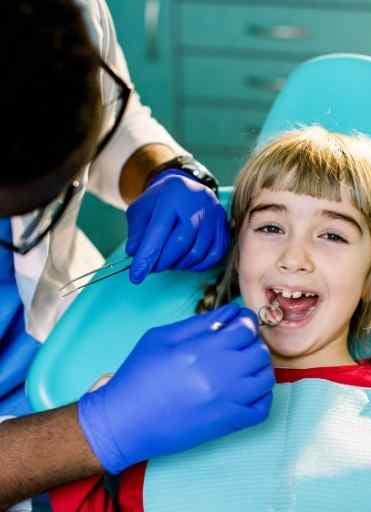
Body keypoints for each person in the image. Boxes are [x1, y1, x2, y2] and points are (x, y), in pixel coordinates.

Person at [50, 127, 371, 511]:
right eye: (271, 227)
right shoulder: (166, 391)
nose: (295, 257)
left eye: (331, 234)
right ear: (238, 252)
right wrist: (99, 433)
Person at [0, 1, 274, 509]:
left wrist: (164, 172)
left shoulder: (64, 15)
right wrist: (102, 428)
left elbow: (113, 125)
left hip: (67, 335)